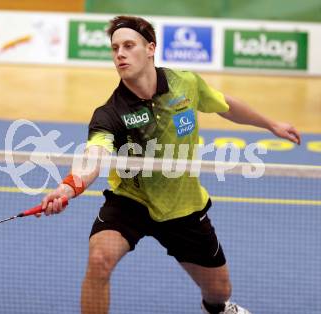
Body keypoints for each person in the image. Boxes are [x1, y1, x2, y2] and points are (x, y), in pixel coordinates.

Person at [40, 15, 301, 314]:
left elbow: (225, 104)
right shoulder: (110, 113)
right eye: (114, 48)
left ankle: (216, 308)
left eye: (128, 46)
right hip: (131, 201)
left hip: (182, 206)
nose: (120, 54)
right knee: (99, 260)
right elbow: (93, 158)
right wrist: (67, 187)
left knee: (219, 291)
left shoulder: (184, 83)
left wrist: (270, 124)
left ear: (150, 48)